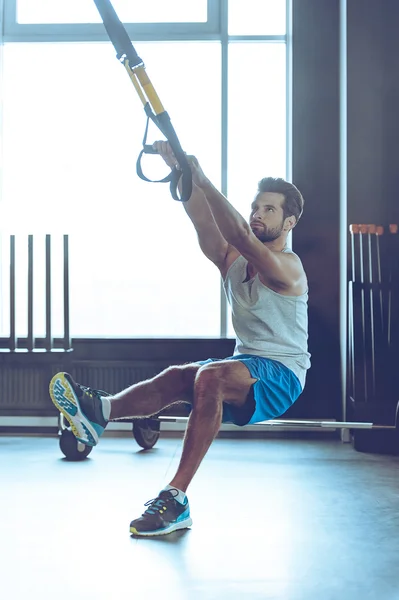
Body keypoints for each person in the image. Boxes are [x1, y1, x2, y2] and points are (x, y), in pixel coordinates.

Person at [49, 141, 311, 537]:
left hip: (283, 374)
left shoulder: (287, 268)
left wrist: (204, 179)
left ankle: (175, 498)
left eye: (269, 209)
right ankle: (98, 412)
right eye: (256, 206)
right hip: (247, 365)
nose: (257, 214)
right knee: (178, 377)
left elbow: (239, 233)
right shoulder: (232, 261)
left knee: (210, 378)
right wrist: (182, 174)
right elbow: (205, 222)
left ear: (289, 222)